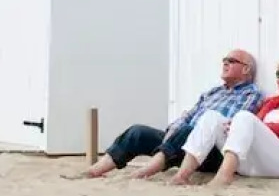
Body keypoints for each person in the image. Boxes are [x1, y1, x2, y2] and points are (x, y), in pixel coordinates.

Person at [75, 50, 263, 179]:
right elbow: (188, 115)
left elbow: (236, 124)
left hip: (209, 151)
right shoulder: (212, 92)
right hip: (179, 142)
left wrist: (187, 131)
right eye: (224, 60)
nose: (225, 63)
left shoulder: (251, 94)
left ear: (246, 69)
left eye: (231, 61)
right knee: (138, 132)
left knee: (189, 130)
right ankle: (95, 171)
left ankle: (144, 172)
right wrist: (173, 129)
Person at [173, 55, 279, 186]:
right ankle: (182, 175)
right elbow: (251, 128)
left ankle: (223, 177)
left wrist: (251, 125)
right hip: (254, 166)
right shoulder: (271, 102)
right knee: (212, 117)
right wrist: (234, 127)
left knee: (244, 117)